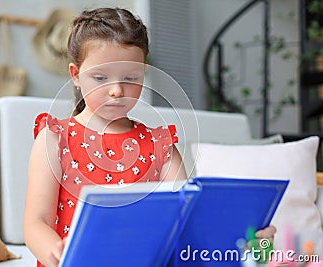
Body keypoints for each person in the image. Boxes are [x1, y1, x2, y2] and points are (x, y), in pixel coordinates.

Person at [23, 7, 276, 267]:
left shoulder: (160, 146)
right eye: (100, 78)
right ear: (76, 75)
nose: (117, 90)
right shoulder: (55, 138)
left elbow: (188, 218)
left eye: (131, 78)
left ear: (143, 73)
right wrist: (60, 255)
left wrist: (244, 239)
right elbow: (36, 222)